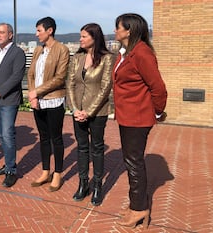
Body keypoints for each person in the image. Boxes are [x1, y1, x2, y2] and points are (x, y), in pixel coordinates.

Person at [112, 13, 167, 228]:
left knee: (134, 162)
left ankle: (140, 209)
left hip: (137, 117)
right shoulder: (126, 52)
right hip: (127, 115)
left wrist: (157, 112)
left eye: (118, 27)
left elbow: (158, 87)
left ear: (129, 30)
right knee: (131, 161)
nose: (115, 31)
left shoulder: (142, 53)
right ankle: (137, 203)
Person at [67, 23, 114, 206]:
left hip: (97, 112)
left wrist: (89, 111)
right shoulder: (77, 57)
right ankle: (83, 183)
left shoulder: (107, 58)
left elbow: (105, 88)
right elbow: (70, 83)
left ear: (95, 38)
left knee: (97, 148)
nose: (81, 39)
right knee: (82, 148)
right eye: (80, 36)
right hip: (78, 111)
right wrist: (75, 109)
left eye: (84, 36)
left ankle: (97, 186)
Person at [27, 17, 70, 192]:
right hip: (37, 101)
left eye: (39, 30)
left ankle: (58, 173)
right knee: (43, 138)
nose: (37, 34)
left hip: (54, 99)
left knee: (56, 138)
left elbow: (60, 78)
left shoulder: (62, 50)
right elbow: (30, 74)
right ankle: (46, 172)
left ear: (50, 30)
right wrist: (33, 95)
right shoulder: (38, 50)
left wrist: (37, 92)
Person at [0, 23, 26, 187]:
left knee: (8, 134)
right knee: (1, 134)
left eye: (1, 32)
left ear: (10, 35)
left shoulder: (18, 53)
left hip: (8, 100)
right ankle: (8, 164)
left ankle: (11, 171)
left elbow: (17, 77)